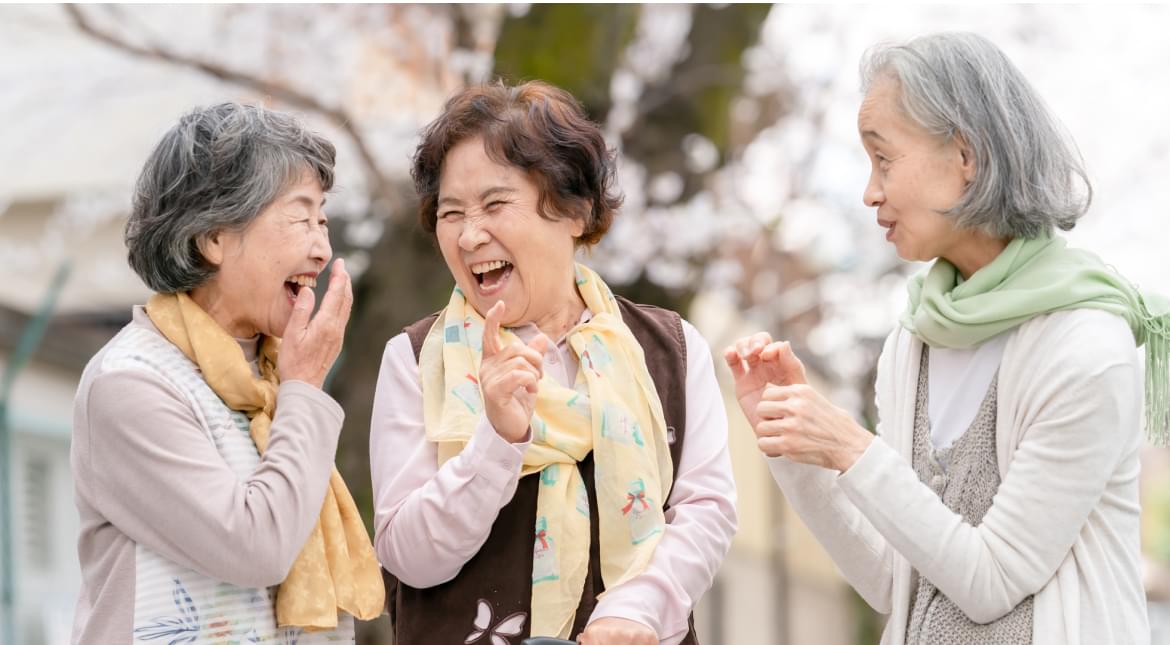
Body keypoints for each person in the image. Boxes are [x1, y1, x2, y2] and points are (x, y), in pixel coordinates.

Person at [727, 32, 1168, 644]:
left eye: (884, 159)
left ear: (966, 155)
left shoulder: (1085, 346)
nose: (869, 192)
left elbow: (991, 580)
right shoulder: (913, 342)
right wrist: (795, 448)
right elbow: (893, 582)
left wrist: (852, 448)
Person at [369, 80, 737, 645]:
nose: (470, 235)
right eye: (451, 212)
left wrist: (637, 610)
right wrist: (495, 438)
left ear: (573, 210)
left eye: (495, 204)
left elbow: (706, 511)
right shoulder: (416, 359)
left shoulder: (670, 349)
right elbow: (408, 558)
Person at [71, 103, 383, 644]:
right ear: (213, 237)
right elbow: (255, 546)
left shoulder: (268, 376)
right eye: (300, 218)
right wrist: (304, 390)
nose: (322, 248)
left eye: (323, 220)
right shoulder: (130, 384)